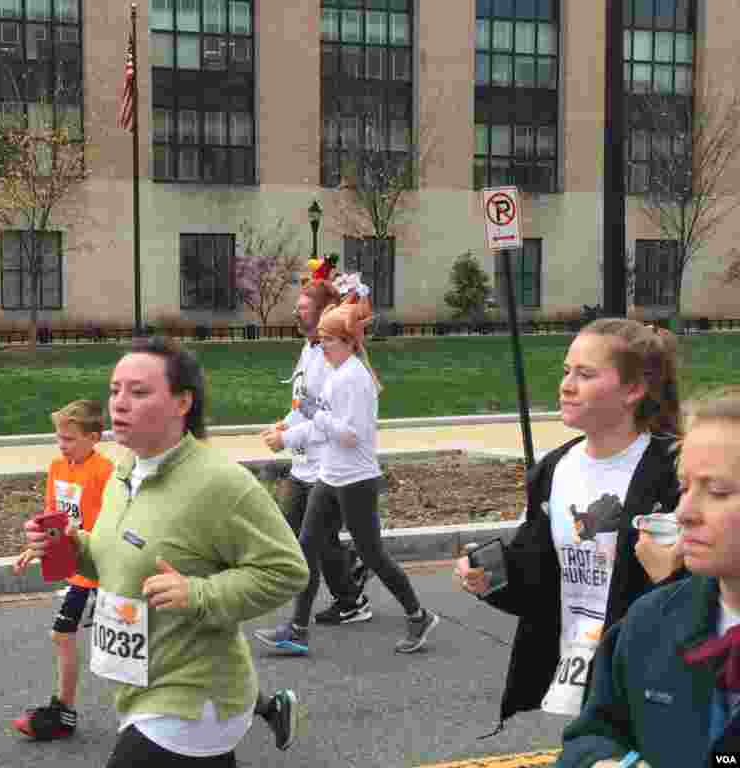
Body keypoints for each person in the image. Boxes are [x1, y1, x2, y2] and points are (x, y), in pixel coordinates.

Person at [22, 336, 309, 766]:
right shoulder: (125, 471)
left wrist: (198, 594)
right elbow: (112, 558)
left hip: (191, 696)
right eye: (115, 390)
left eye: (139, 392)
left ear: (182, 403)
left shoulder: (219, 483)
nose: (119, 403)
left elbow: (287, 570)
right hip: (141, 689)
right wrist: (67, 544)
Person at [455, 318, 688, 734]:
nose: (566, 385)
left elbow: (711, 588)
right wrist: (489, 577)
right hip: (579, 673)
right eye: (567, 371)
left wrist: (671, 573)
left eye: (586, 374)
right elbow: (539, 582)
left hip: (653, 675)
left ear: (633, 391)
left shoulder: (674, 471)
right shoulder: (553, 469)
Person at [254, 274, 440, 656]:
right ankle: (298, 630)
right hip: (328, 476)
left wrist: (313, 418)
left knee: (374, 555)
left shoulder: (355, 379)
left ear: (347, 342)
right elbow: (316, 415)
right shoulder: (337, 375)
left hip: (355, 479)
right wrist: (297, 423)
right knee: (306, 546)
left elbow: (350, 435)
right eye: (320, 339)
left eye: (328, 340)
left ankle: (418, 614)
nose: (321, 346)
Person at [558, 389, 740, 767]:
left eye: (718, 491)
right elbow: (593, 733)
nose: (685, 512)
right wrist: (603, 762)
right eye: (684, 487)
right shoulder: (650, 622)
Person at [261, 255, 371, 626]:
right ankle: (349, 581)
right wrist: (285, 423)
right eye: (297, 307)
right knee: (302, 535)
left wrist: (287, 435)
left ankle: (305, 620)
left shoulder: (332, 358)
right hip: (306, 461)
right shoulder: (310, 350)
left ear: (326, 311)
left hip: (328, 463)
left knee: (309, 539)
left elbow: (325, 418)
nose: (297, 313)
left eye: (304, 308)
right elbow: (303, 402)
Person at [11, 400, 114, 740]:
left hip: (101, 569)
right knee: (63, 635)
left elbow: (110, 525)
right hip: (77, 571)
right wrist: (33, 547)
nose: (61, 444)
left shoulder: (105, 472)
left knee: (131, 649)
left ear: (94, 438)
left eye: (69, 439)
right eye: (59, 438)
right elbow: (51, 519)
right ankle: (63, 712)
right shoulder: (57, 467)